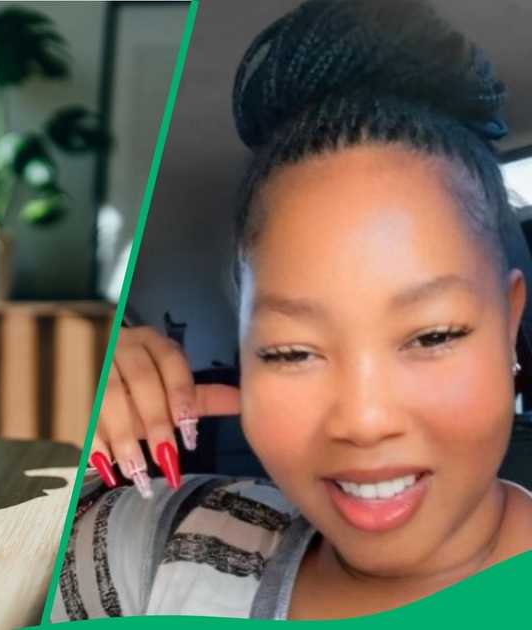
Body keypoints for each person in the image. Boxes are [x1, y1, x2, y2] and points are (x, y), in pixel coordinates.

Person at [52, 0, 532, 620]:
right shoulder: (168, 545)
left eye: (432, 336)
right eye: (291, 352)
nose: (363, 421)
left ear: (510, 323)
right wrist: (60, 417)